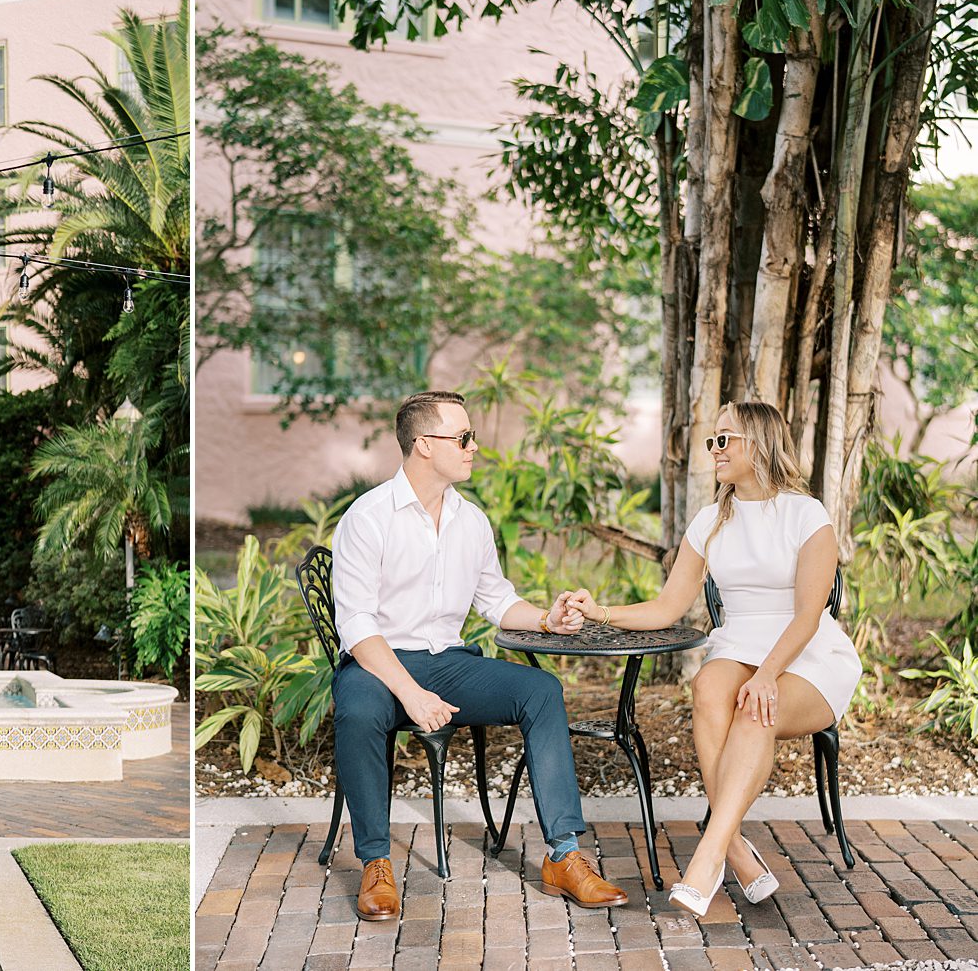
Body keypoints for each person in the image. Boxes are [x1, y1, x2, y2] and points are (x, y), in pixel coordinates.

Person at [331, 390, 627, 921]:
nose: (474, 448)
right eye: (463, 437)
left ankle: (564, 856)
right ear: (423, 444)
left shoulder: (471, 520)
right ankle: (375, 862)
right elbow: (356, 624)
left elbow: (495, 599)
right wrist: (412, 693)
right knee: (358, 710)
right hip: (377, 666)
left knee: (541, 691)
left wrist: (545, 618)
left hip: (447, 662)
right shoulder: (368, 517)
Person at [565, 401, 859, 917]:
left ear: (760, 444)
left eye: (726, 440)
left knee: (753, 709)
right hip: (738, 646)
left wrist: (768, 674)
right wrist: (600, 612)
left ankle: (708, 856)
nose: (715, 451)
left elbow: (810, 614)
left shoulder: (804, 513)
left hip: (807, 654)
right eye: (713, 441)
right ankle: (736, 848)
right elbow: (667, 606)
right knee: (708, 687)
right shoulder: (709, 521)